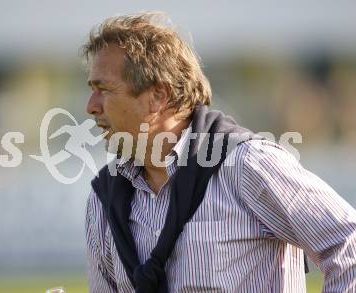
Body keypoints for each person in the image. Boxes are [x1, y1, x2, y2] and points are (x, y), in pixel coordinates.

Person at [82, 12, 356, 292]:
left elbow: (349, 244)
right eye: (92, 89)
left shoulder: (247, 165)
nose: (91, 106)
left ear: (158, 96)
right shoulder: (103, 199)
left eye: (104, 89)